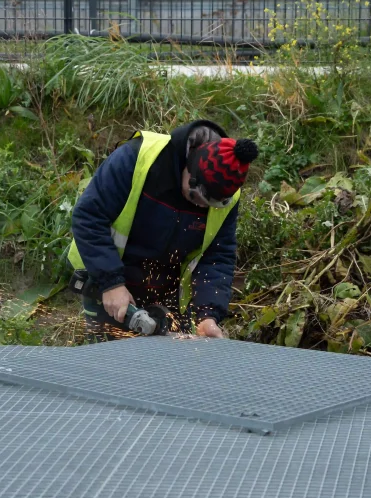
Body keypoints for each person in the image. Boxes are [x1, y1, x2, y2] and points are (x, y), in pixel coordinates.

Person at [67, 119, 258, 341]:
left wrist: (208, 315)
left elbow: (217, 256)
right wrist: (111, 283)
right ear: (189, 163)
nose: (199, 207)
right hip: (108, 280)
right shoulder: (137, 159)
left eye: (210, 204)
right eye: (195, 196)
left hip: (169, 297)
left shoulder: (228, 196)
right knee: (108, 366)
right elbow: (89, 216)